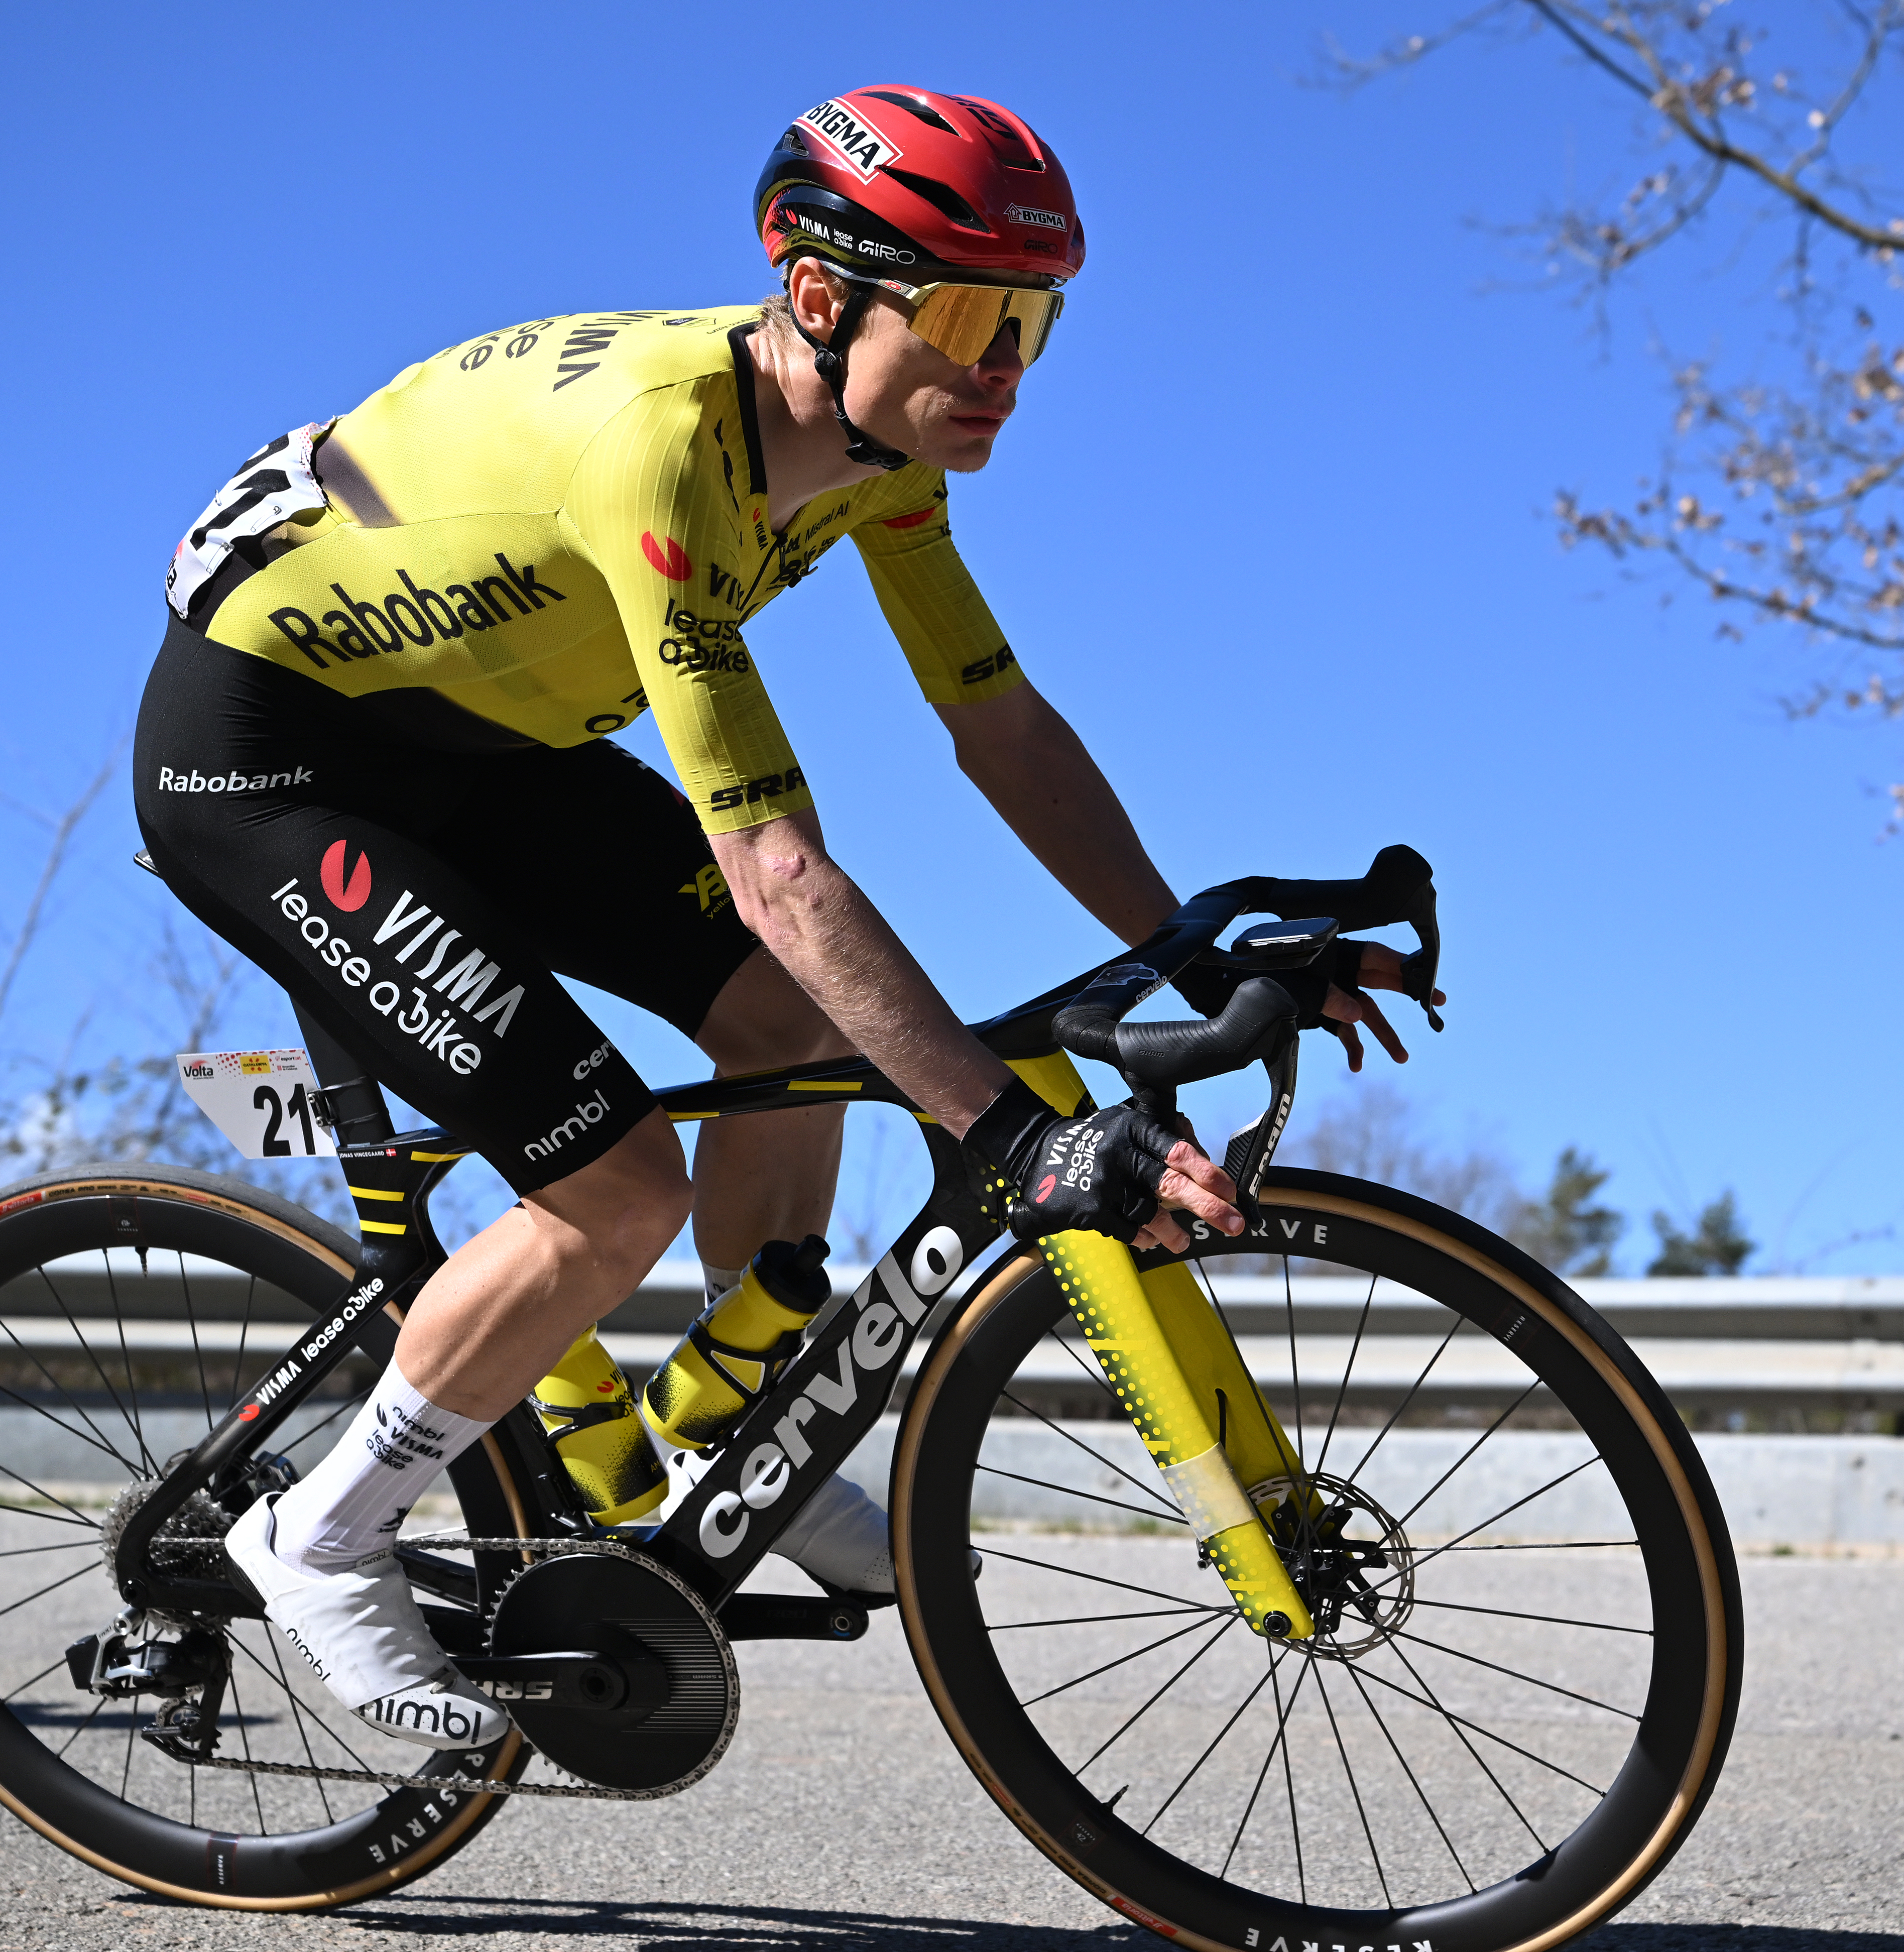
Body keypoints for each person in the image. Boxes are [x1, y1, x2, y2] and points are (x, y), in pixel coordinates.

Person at [132, 84, 1438, 1751]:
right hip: (274, 753)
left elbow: (1002, 727)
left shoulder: (876, 469)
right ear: (820, 295)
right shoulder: (666, 452)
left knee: (802, 1028)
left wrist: (1189, 940)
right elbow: (781, 868)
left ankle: (718, 1433)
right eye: (969, 316)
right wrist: (1003, 1133)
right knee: (616, 1184)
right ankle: (318, 1532)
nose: (1006, 371)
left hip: (478, 745)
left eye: (1034, 323)